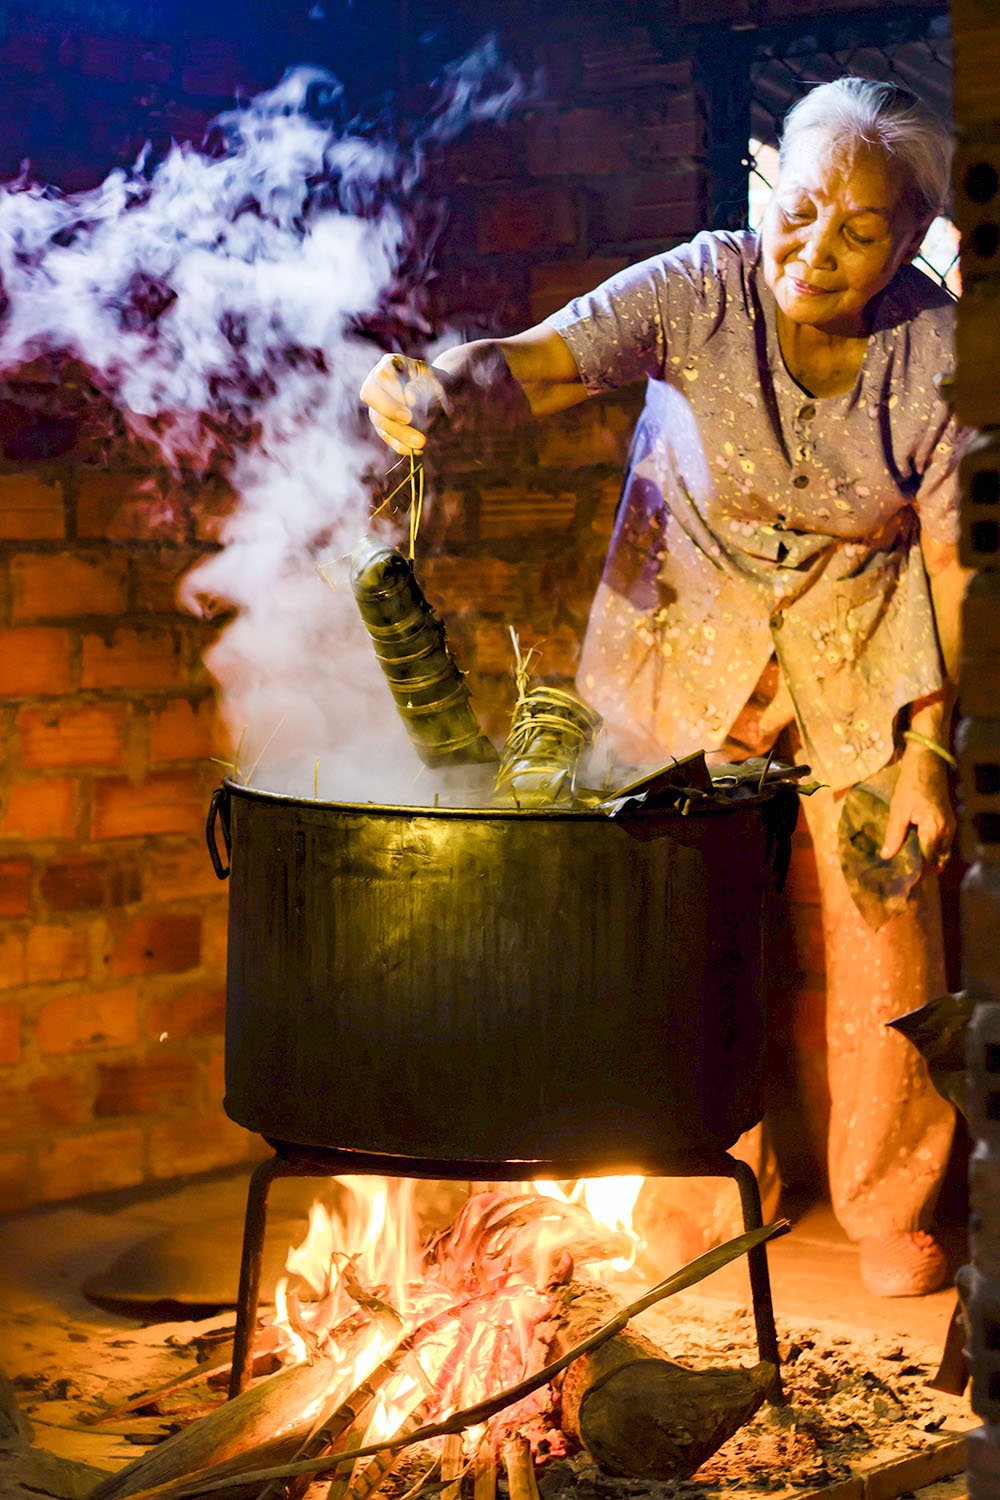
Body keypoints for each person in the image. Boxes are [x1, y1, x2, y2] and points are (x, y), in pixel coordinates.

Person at [360, 77, 970, 1297]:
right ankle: (692, 1186)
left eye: (861, 230)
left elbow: (961, 561)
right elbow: (529, 367)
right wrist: (433, 383)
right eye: (800, 211)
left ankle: (889, 1201)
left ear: (909, 241)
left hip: (860, 651)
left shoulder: (938, 349)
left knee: (887, 914)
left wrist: (931, 753)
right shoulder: (699, 285)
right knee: (666, 924)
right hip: (676, 642)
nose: (818, 250)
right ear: (768, 193)